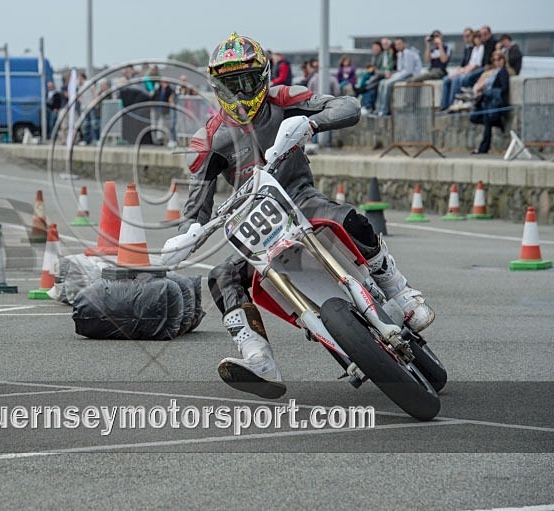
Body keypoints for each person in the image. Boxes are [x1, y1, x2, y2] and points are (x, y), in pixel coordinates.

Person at [181, 32, 435, 398]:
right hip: (256, 225)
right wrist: (188, 232)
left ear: (262, 77)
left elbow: (347, 106)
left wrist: (311, 123)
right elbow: (196, 203)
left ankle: (399, 290)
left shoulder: (284, 99)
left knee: (352, 219)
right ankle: (257, 357)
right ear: (216, 86)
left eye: (246, 82)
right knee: (222, 276)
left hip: (302, 200)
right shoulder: (209, 137)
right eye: (229, 84)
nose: (238, 92)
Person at [469, 51, 510, 154]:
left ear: (503, 60)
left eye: (499, 59)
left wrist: (487, 92)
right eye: (495, 60)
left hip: (494, 103)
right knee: (474, 117)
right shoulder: (493, 72)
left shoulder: (503, 72)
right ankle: (497, 123)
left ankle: (483, 149)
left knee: (487, 124)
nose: (497, 62)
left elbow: (504, 89)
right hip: (486, 101)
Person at [373, 37, 422, 117]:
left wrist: (394, 76)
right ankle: (379, 108)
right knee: (382, 82)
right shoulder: (400, 54)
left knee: (388, 84)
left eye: (399, 44)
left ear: (404, 44)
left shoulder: (407, 53)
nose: (397, 46)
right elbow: (400, 70)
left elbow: (408, 71)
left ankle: (385, 110)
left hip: (411, 76)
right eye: (396, 45)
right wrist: (393, 74)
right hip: (402, 75)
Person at [440, 31, 484, 111]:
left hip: (473, 71)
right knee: (446, 79)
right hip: (467, 69)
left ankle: (452, 103)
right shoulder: (473, 49)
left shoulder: (482, 48)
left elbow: (476, 65)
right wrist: (460, 70)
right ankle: (444, 106)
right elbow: (468, 63)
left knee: (457, 79)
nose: (476, 39)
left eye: (478, 37)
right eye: (475, 37)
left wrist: (463, 71)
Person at [151, 78, 178, 148]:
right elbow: (153, 97)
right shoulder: (158, 89)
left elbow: (171, 99)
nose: (165, 84)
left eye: (166, 82)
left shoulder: (169, 90)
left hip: (164, 111)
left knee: (163, 125)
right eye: (163, 82)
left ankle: (161, 140)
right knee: (154, 125)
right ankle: (155, 140)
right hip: (156, 110)